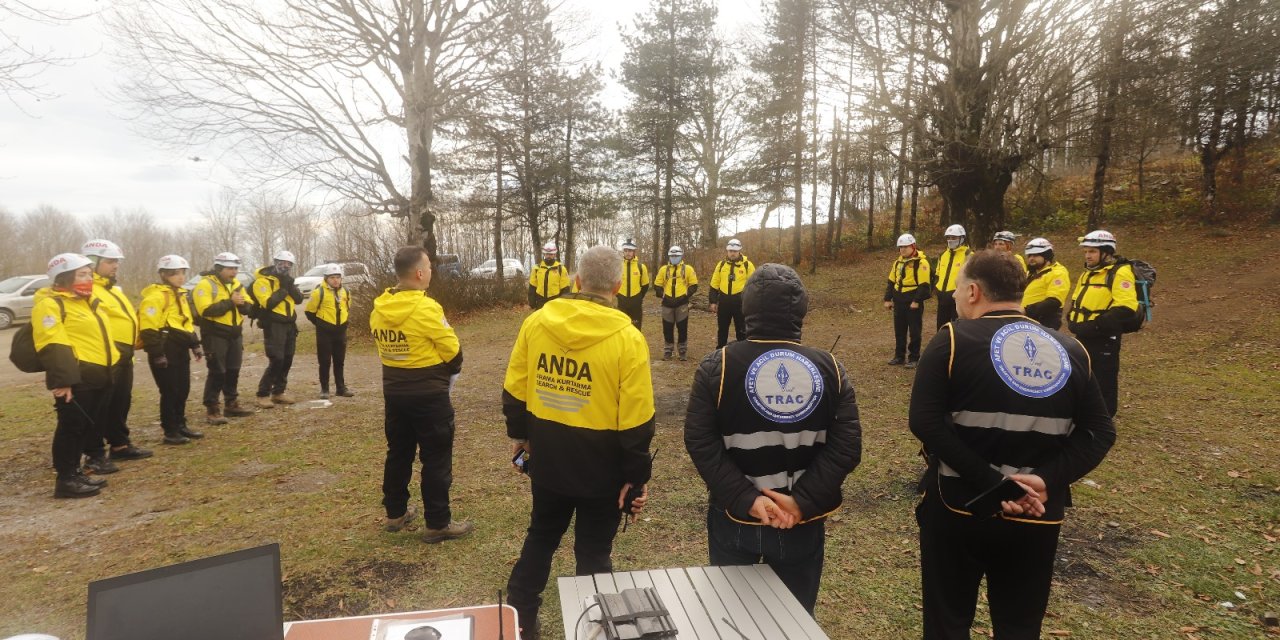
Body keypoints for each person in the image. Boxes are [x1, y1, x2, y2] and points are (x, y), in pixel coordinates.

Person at [909, 250, 1115, 639]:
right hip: (1037, 513)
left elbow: (925, 422)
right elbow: (1099, 433)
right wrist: (1044, 480)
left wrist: (993, 483)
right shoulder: (1071, 350)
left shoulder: (951, 340)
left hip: (958, 509)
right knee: (1020, 626)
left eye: (956, 289)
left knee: (946, 622)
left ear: (972, 291)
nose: (953, 297)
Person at [684, 263, 861, 614]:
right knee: (794, 622)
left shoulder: (716, 366)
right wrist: (801, 501)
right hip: (800, 523)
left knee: (732, 620)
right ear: (801, 311)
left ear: (747, 309)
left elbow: (701, 443)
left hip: (736, 518)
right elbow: (847, 448)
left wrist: (745, 498)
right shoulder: (831, 368)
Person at [502, 245, 655, 640]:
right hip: (601, 469)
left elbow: (514, 390)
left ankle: (519, 621)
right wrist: (635, 478)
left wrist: (520, 437)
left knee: (541, 535)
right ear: (619, 285)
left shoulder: (536, 323)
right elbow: (637, 420)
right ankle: (600, 630)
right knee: (593, 553)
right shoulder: (628, 338)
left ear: (576, 280)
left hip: (549, 457)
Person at [371, 246, 472, 544]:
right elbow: (452, 351)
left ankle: (395, 513)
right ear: (418, 273)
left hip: (394, 391)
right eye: (428, 266)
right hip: (428, 394)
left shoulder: (380, 308)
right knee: (436, 457)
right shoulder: (427, 308)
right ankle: (438, 523)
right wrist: (450, 371)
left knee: (398, 452)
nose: (431, 271)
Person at [32, 254, 118, 498]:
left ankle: (76, 471)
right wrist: (63, 381)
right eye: (82, 274)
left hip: (99, 373)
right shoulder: (51, 304)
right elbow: (52, 343)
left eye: (89, 274)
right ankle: (66, 479)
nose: (88, 279)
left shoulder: (87, 302)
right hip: (77, 377)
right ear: (64, 277)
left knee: (86, 427)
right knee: (71, 427)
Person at [80, 239, 151, 474]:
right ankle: (93, 453)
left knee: (121, 401)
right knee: (100, 405)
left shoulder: (113, 289)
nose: (115, 266)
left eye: (116, 262)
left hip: (124, 353)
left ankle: (120, 445)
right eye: (110, 261)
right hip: (103, 356)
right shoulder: (88, 290)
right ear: (93, 262)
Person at [1067, 230, 1138, 417]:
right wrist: (1072, 319)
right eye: (1086, 252)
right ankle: (1085, 413)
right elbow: (1077, 300)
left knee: (1103, 379)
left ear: (1106, 252)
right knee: (1083, 375)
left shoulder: (1120, 272)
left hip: (1104, 338)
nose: (1088, 255)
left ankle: (1104, 418)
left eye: (1092, 251)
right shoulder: (1088, 273)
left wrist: (1096, 325)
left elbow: (1125, 307)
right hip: (1083, 335)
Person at [138, 255, 205, 445]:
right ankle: (170, 430)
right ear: (164, 275)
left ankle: (181, 424)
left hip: (179, 348)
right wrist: (157, 354)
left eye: (182, 273)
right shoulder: (155, 297)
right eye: (175, 273)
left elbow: (185, 323)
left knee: (183, 389)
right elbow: (148, 328)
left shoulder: (180, 295)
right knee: (170, 391)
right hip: (164, 349)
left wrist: (195, 344)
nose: (180, 277)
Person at [192, 252, 257, 425]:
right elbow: (205, 311)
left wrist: (242, 304)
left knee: (233, 370)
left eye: (236, 268)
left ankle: (231, 403)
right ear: (219, 268)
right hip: (214, 334)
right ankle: (212, 408)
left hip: (234, 334)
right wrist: (231, 302)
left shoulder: (236, 284)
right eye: (230, 268)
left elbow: (249, 307)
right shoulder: (205, 285)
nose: (234, 272)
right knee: (217, 371)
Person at [251, 250, 303, 408]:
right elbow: (267, 303)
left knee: (287, 359)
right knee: (277, 359)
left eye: (288, 264)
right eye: (282, 262)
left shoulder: (288, 280)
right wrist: (282, 289)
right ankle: (262, 394)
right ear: (275, 262)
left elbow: (299, 299)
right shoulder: (262, 281)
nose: (285, 266)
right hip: (273, 325)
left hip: (289, 324)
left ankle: (279, 392)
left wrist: (290, 286)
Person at [883, 233, 932, 368]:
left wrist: (916, 301)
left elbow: (924, 285)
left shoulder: (921, 263)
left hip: (913, 301)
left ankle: (914, 358)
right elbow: (891, 282)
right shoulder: (897, 262)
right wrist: (887, 299)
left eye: (905, 247)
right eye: (900, 247)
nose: (902, 250)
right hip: (899, 299)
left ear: (913, 246)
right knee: (899, 330)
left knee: (915, 331)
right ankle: (899, 356)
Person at [305, 263, 352, 400]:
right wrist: (321, 324)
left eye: (338, 277)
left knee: (339, 361)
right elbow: (309, 311)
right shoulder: (318, 292)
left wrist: (344, 322)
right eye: (332, 277)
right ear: (326, 278)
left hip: (340, 331)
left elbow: (347, 308)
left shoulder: (346, 292)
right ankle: (324, 389)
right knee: (325, 361)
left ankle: (341, 388)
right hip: (324, 333)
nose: (336, 280)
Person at [653, 245, 698, 361]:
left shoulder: (688, 269)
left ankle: (682, 351)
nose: (674, 258)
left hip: (681, 303)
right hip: (667, 303)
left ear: (681, 256)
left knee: (682, 328)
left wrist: (685, 295)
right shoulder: (664, 269)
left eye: (676, 256)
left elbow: (694, 285)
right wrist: (662, 294)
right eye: (672, 256)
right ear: (669, 256)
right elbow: (657, 284)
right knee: (667, 328)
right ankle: (668, 350)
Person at [708, 238, 755, 348]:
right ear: (727, 251)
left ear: (739, 251)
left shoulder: (748, 265)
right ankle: (720, 352)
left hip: (740, 303)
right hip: (724, 302)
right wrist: (713, 302)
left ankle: (743, 352)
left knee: (742, 329)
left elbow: (753, 285)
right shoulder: (721, 265)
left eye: (734, 251)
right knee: (722, 329)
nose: (732, 253)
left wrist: (751, 303)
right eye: (730, 251)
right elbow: (714, 284)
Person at [1022, 238, 1071, 330]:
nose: (1031, 258)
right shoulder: (1031, 273)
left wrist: (1026, 310)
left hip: (1044, 321)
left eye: (1036, 255)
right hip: (1027, 320)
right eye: (1029, 255)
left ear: (1046, 256)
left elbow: (1054, 302)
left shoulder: (1057, 272)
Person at [934, 224, 970, 329]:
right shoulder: (943, 255)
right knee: (941, 327)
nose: (950, 240)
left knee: (957, 327)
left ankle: (957, 345)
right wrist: (937, 290)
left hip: (958, 298)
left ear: (962, 238)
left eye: (954, 238)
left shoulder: (968, 255)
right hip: (942, 297)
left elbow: (971, 278)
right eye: (948, 238)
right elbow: (938, 274)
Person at [615, 238, 649, 329]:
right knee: (621, 328)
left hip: (636, 302)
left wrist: (639, 297)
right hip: (621, 301)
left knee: (636, 328)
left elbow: (645, 285)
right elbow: (613, 283)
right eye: (625, 250)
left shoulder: (641, 267)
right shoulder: (618, 266)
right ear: (623, 252)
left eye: (630, 251)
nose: (628, 253)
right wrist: (618, 295)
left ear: (634, 252)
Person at [527, 242, 570, 311]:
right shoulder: (537, 268)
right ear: (544, 254)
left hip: (555, 301)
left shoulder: (561, 269)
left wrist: (563, 303)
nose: (549, 256)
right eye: (547, 254)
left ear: (554, 254)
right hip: (540, 301)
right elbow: (532, 287)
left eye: (551, 254)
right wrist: (532, 302)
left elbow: (565, 289)